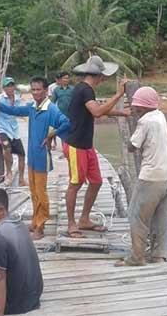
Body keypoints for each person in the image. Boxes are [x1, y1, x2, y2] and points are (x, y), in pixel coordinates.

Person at [0, 77, 70, 240]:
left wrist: (51, 135)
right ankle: (35, 221)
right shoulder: (32, 107)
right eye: (33, 89)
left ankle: (41, 226)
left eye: (39, 89)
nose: (36, 92)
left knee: (41, 193)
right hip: (31, 156)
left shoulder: (51, 109)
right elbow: (14, 111)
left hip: (42, 157)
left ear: (46, 91)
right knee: (33, 191)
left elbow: (66, 123)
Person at [63, 55, 130, 238]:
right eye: (103, 76)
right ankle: (71, 223)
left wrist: (121, 113)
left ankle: (84, 219)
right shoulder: (84, 90)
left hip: (86, 145)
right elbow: (98, 112)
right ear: (99, 76)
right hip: (76, 145)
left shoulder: (86, 90)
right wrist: (118, 95)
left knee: (96, 182)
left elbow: (98, 109)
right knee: (75, 184)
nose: (103, 79)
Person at [115, 86, 167, 267]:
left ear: (143, 106)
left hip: (151, 177)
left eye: (137, 106)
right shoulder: (160, 116)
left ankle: (137, 257)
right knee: (160, 218)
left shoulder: (145, 122)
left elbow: (133, 146)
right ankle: (159, 255)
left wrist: (129, 138)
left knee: (136, 216)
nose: (135, 109)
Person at [0, 77, 27, 187]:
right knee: (7, 147)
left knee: (22, 155)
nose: (10, 88)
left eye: (12, 85)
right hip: (2, 128)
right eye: (8, 86)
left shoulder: (17, 98)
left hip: (14, 130)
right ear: (4, 88)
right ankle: (9, 172)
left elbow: (18, 111)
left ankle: (21, 179)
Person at [49, 71, 74, 154]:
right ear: (61, 79)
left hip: (72, 115)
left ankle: (71, 151)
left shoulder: (73, 89)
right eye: (64, 78)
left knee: (71, 134)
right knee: (64, 134)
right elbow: (52, 102)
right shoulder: (56, 90)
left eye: (67, 78)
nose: (66, 80)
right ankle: (65, 152)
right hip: (61, 115)